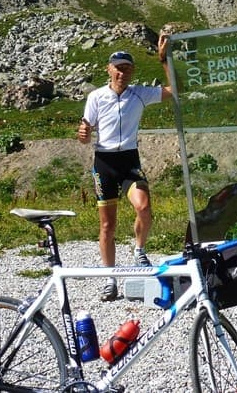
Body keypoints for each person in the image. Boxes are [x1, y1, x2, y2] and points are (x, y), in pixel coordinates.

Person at [77, 34, 172, 301]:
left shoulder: (139, 94)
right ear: (109, 69)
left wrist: (164, 59)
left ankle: (139, 251)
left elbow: (175, 91)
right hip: (104, 162)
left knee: (143, 207)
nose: (122, 73)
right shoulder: (96, 97)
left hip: (129, 159)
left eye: (127, 68)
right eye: (118, 68)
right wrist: (83, 134)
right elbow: (85, 133)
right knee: (108, 225)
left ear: (132, 72)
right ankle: (110, 279)